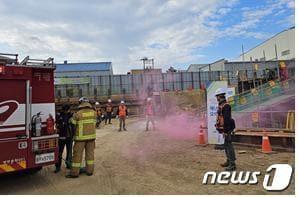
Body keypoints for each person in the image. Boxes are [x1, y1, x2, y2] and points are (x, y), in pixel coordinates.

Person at [66, 97, 97, 178]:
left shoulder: (78, 114)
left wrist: (70, 118)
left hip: (80, 139)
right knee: (90, 155)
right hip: (91, 138)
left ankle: (74, 173)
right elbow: (95, 122)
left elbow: (72, 123)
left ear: (81, 103)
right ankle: (89, 171)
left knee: (77, 155)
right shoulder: (94, 113)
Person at [215, 88, 236, 171]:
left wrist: (225, 131)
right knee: (227, 146)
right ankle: (228, 161)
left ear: (220, 96)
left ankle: (232, 164)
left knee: (229, 146)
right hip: (226, 129)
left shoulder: (225, 106)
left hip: (227, 129)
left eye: (217, 96)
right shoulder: (222, 105)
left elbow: (226, 119)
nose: (216, 98)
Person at [55, 105, 74, 173]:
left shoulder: (71, 115)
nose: (67, 111)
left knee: (69, 152)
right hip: (62, 137)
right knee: (60, 152)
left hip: (69, 137)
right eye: (67, 110)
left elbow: (73, 125)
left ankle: (68, 164)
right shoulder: (59, 116)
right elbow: (57, 125)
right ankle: (57, 166)